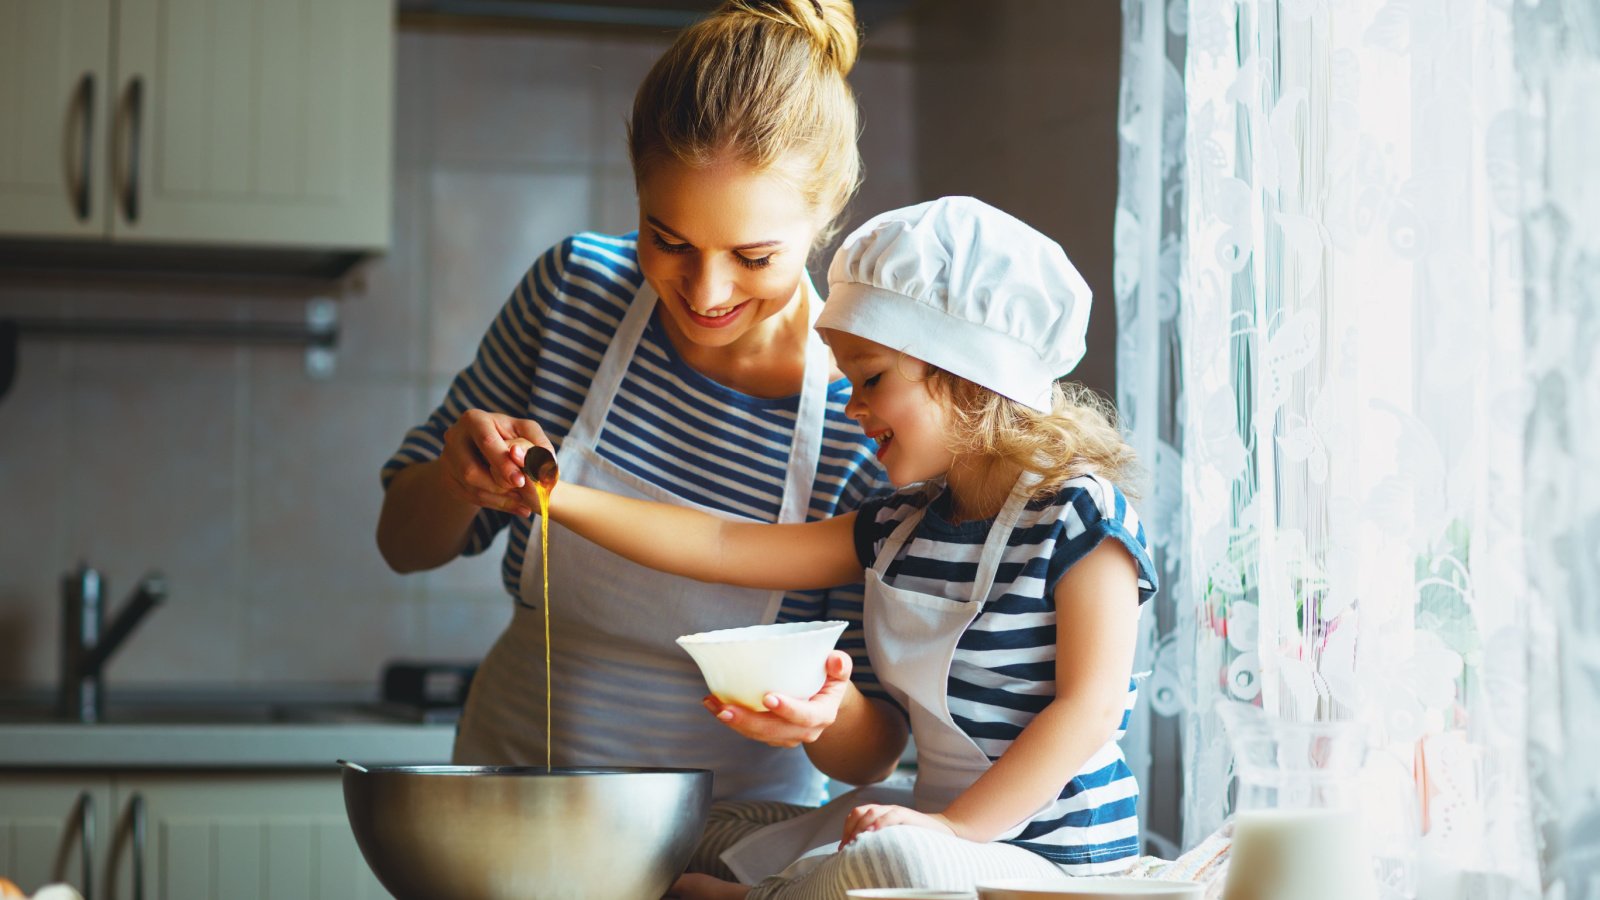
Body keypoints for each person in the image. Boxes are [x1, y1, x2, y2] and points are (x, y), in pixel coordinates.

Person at [375, 0, 897, 877]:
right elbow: (402, 543)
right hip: (509, 823)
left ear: (826, 215)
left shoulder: (864, 404)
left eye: (755, 257)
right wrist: (454, 480)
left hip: (729, 857)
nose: (704, 290)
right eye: (669, 238)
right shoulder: (575, 296)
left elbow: (871, 748)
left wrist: (822, 715)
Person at [533, 196, 1160, 899]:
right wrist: (552, 493)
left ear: (962, 375)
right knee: (704, 829)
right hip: (932, 823)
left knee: (900, 869)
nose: (850, 405)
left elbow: (1090, 709)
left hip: (1050, 863)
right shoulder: (900, 524)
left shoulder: (1080, 515)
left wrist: (952, 831)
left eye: (870, 379)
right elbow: (721, 543)